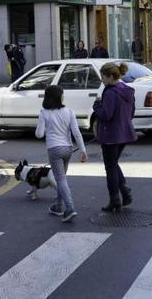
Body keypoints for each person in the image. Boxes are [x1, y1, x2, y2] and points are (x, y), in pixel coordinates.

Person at [35, 85, 87, 223]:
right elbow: (76, 133)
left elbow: (39, 134)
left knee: (60, 179)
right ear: (59, 97)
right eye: (62, 94)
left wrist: (44, 126)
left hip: (54, 149)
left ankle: (69, 208)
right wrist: (83, 150)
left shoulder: (44, 113)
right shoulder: (69, 111)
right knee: (61, 178)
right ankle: (58, 206)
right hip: (68, 149)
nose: (64, 96)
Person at [92, 62, 137, 212]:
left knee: (110, 167)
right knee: (113, 164)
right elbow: (132, 112)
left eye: (103, 77)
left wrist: (97, 106)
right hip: (125, 132)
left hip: (111, 134)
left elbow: (106, 114)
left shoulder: (110, 92)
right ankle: (124, 191)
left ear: (110, 76)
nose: (102, 80)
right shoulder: (126, 89)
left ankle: (115, 199)